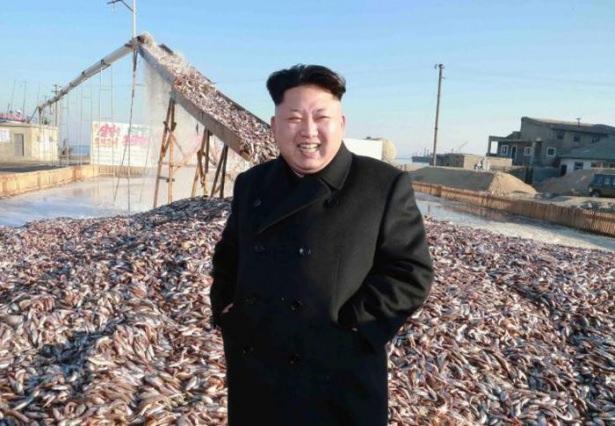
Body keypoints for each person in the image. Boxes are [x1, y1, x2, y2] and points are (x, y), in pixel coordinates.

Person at [210, 64, 433, 426]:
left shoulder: (381, 185)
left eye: (321, 117)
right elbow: (229, 251)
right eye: (294, 118)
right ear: (274, 126)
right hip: (257, 369)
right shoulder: (252, 183)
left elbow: (410, 272)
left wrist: (353, 331)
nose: (308, 131)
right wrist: (225, 306)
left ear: (341, 124)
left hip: (337, 374)